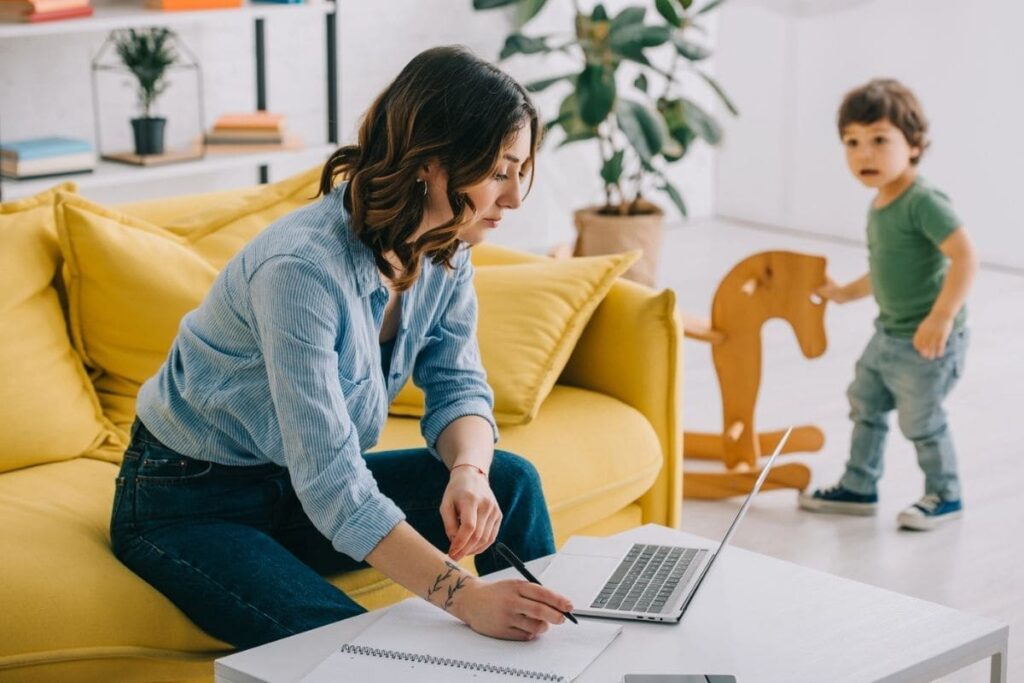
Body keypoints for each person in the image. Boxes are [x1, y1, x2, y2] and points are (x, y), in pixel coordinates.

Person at [109, 45, 574, 649]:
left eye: (520, 171)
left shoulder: (444, 248)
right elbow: (333, 482)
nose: (513, 198)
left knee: (507, 480)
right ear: (431, 162)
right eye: (498, 172)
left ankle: (552, 646)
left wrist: (468, 471)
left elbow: (458, 384)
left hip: (293, 489)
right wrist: (468, 598)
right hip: (190, 502)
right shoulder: (301, 270)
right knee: (346, 648)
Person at [798, 78, 978, 531]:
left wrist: (942, 316)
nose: (864, 154)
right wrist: (844, 293)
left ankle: (946, 493)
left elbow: (965, 257)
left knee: (921, 421)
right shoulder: (880, 203)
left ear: (914, 145)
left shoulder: (923, 202)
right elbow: (885, 271)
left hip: (928, 342)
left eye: (880, 140)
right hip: (888, 334)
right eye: (852, 143)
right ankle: (859, 486)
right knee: (865, 403)